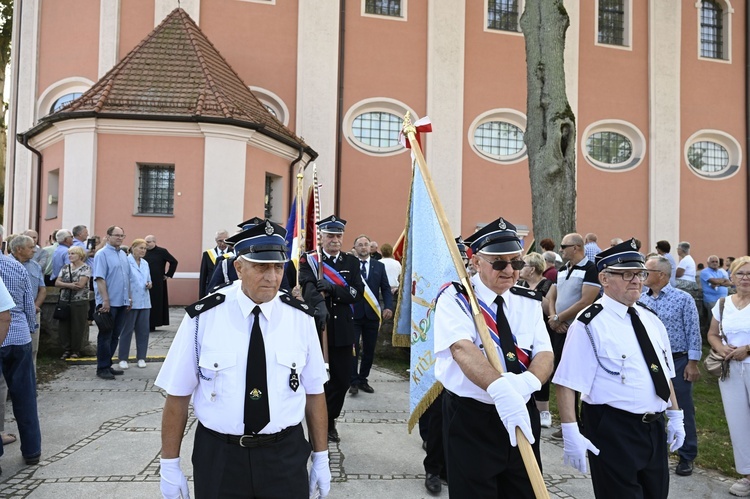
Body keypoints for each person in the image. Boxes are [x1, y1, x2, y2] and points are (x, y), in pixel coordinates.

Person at [155, 219, 331, 498]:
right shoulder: (203, 318)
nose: (272, 277)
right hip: (220, 458)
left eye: (278, 266)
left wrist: (321, 457)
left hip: (284, 455)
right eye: (261, 267)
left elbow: (314, 392)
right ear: (239, 267)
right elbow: (177, 394)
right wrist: (169, 464)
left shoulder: (300, 318)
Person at [554, 239, 685, 498]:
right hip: (613, 427)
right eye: (626, 274)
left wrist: (675, 415)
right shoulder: (589, 322)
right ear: (604, 278)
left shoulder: (650, 319)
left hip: (653, 428)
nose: (636, 280)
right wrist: (571, 431)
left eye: (640, 273)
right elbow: (567, 382)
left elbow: (663, 372)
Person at [434, 217, 553, 498]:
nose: (510, 271)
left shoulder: (529, 300)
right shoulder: (456, 298)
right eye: (500, 263)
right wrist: (500, 390)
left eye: (517, 262)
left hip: (522, 410)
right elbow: (462, 348)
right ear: (476, 263)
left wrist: (526, 385)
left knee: (525, 491)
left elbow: (545, 352)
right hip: (474, 417)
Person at [298, 215, 364, 443]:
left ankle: (330, 419)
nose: (335, 240)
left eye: (338, 236)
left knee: (342, 381)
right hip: (319, 328)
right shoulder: (309, 260)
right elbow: (307, 286)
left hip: (344, 330)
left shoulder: (351, 262)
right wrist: (318, 304)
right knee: (316, 380)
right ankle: (316, 422)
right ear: (322, 237)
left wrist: (334, 289)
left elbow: (357, 292)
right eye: (330, 235)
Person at [641, 255, 701, 477]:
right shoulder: (641, 299)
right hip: (648, 361)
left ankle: (686, 456)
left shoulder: (683, 299)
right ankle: (655, 452)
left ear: (662, 275)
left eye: (647, 272)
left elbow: (693, 331)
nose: (643, 276)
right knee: (651, 407)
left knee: (681, 408)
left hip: (678, 360)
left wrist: (692, 363)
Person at [546, 232, 601, 436]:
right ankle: (570, 422)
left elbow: (586, 301)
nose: (560, 249)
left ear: (576, 247)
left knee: (578, 376)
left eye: (564, 246)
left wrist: (560, 318)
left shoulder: (590, 269)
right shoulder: (562, 269)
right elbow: (552, 296)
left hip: (577, 330)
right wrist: (554, 317)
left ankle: (582, 422)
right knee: (563, 375)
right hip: (560, 328)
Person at [706, 256, 750, 497]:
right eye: (741, 273)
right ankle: (747, 475)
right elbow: (713, 334)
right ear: (731, 278)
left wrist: (748, 348)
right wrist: (720, 348)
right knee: (738, 422)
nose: (746, 278)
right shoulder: (723, 304)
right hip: (731, 370)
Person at [0, 226, 42, 471]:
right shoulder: (15, 267)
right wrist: (30, 328)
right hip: (17, 337)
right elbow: (28, 304)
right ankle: (32, 450)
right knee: (25, 396)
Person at [349, 235, 393, 395]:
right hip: (353, 314)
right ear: (355, 247)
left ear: (370, 247)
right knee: (353, 349)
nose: (363, 247)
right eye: (359, 244)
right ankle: (352, 381)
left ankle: (363, 380)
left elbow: (386, 288)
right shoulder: (350, 265)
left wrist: (388, 306)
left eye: (366, 244)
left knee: (369, 350)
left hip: (372, 315)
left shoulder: (379, 266)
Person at [517, 251, 554, 428]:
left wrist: (537, 296)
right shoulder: (520, 285)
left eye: (523, 265)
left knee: (541, 367)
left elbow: (548, 309)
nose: (520, 269)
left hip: (542, 332)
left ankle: (544, 410)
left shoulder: (548, 285)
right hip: (522, 333)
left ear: (532, 269)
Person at [93, 225, 131, 380]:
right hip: (108, 302)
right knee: (105, 335)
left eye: (122, 236)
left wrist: (129, 298)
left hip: (121, 301)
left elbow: (126, 278)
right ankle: (102, 368)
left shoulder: (122, 254)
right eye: (116, 235)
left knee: (115, 335)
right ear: (107, 236)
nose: (120, 238)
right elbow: (100, 278)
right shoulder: (101, 254)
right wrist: (105, 300)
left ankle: (107, 364)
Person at [9, 235, 46, 370]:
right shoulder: (6, 265)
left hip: (32, 313)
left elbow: (42, 289)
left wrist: (36, 306)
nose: (34, 250)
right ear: (19, 249)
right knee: (11, 351)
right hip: (12, 315)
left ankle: (30, 384)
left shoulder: (35, 266)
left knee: (32, 349)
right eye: (31, 247)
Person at [118, 239, 151, 369]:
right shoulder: (126, 261)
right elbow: (124, 281)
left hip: (145, 301)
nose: (143, 251)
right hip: (130, 300)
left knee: (143, 331)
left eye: (145, 249)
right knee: (127, 330)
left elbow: (149, 279)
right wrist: (128, 298)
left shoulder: (145, 263)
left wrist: (149, 284)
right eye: (141, 248)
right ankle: (123, 358)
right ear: (133, 248)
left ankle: (142, 357)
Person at [55, 246, 91, 359]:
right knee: (63, 327)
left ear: (80, 255)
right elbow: (57, 282)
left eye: (73, 253)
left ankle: (76, 350)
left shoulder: (85, 268)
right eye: (69, 254)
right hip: (64, 301)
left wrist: (64, 284)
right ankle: (66, 349)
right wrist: (69, 285)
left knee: (77, 326)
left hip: (79, 301)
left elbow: (80, 285)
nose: (70, 256)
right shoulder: (66, 267)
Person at [143, 235, 178, 331]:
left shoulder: (162, 251)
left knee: (155, 303)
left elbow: (174, 262)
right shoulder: (143, 251)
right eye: (145, 242)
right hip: (143, 281)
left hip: (157, 282)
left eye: (149, 242)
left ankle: (153, 324)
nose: (146, 244)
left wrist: (168, 274)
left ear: (154, 242)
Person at [198, 229, 231, 298]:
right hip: (212, 290)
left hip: (229, 290)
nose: (222, 243)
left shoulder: (233, 254)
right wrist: (201, 296)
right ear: (216, 240)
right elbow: (203, 277)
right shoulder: (207, 254)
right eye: (220, 241)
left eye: (225, 241)